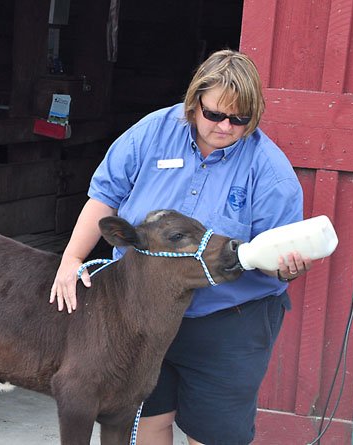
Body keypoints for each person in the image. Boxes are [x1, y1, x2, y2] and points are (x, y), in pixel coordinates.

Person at [49, 49, 313, 445]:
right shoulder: (152, 132)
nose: (225, 126)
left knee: (214, 433)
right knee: (148, 417)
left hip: (227, 318)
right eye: (214, 115)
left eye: (239, 119)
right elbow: (105, 195)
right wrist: (71, 258)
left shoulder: (271, 172)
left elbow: (274, 255)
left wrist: (286, 267)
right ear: (194, 103)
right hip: (141, 311)